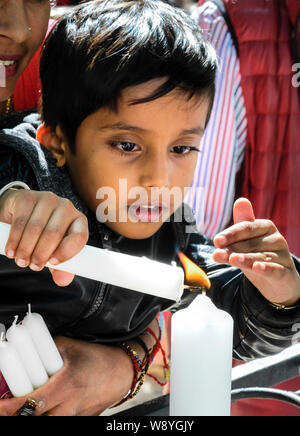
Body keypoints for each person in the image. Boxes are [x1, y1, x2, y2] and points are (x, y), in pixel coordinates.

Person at [0, 0, 299, 417]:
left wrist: (277, 296)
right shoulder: (28, 173)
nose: (159, 179)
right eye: (127, 145)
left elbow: (230, 320)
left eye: (181, 148)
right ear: (59, 143)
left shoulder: (171, 234)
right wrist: (11, 199)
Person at [188, 0, 300, 416]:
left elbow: (193, 223)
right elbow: (197, 242)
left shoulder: (224, 24)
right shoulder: (224, 27)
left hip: (256, 377)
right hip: (262, 374)